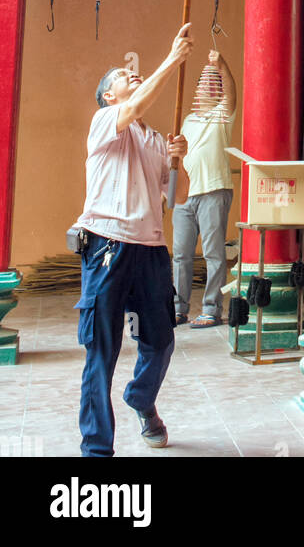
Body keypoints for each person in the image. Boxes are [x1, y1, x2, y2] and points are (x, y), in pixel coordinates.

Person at [73, 23, 193, 457]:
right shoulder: (106, 121)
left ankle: (141, 399)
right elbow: (141, 99)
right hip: (107, 246)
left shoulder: (156, 139)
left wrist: (179, 160)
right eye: (122, 78)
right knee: (101, 352)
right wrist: (172, 59)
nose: (131, 77)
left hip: (151, 252)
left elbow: (178, 195)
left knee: (160, 340)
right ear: (109, 96)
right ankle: (97, 450)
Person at [172, 47, 237, 329]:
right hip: (186, 195)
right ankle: (177, 308)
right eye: (204, 82)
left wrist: (221, 65)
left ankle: (211, 308)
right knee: (181, 254)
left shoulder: (222, 114)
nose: (207, 86)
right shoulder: (187, 120)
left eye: (214, 82)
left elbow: (232, 93)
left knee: (213, 253)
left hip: (213, 191)